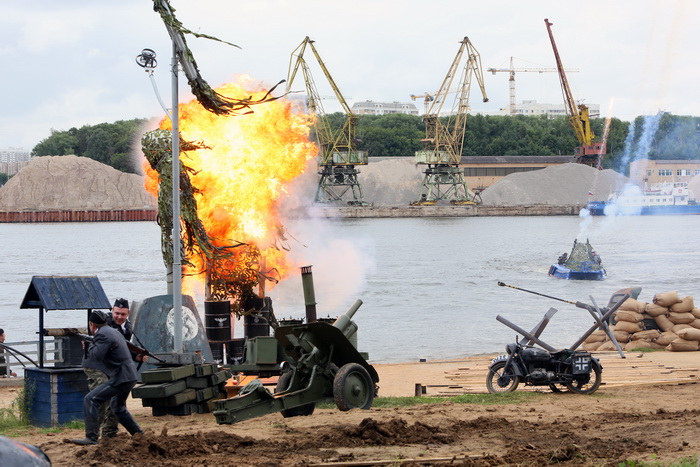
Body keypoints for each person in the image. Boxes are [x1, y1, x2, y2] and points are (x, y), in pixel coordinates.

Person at [70, 310, 143, 446]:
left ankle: (91, 437)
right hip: (130, 375)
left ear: (92, 325)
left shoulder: (102, 335)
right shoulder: (112, 331)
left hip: (121, 377)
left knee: (91, 399)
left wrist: (88, 346)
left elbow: (96, 356)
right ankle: (139, 435)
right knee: (118, 407)